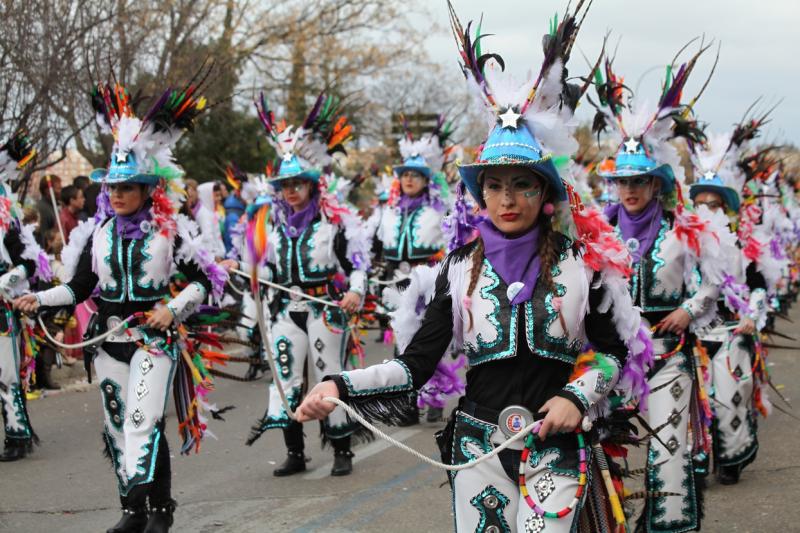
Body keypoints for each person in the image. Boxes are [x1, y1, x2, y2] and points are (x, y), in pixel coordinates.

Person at [296, 8, 653, 531]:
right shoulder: (458, 270)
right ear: (480, 195)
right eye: (494, 186)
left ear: (546, 193)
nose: (508, 198)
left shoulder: (584, 265)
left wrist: (576, 397)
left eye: (522, 184)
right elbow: (414, 366)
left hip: (556, 444)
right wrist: (339, 387)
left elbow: (613, 352)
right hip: (477, 446)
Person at [14, 80, 227, 532]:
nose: (116, 194)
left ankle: (142, 509)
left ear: (147, 189)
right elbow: (79, 287)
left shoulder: (170, 230)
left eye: (127, 187)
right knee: (119, 428)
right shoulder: (98, 234)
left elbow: (207, 280)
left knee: (141, 421)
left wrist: (172, 308)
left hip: (155, 341)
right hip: (110, 344)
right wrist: (39, 298)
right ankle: (149, 510)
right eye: (111, 186)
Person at [594, 51, 725, 532]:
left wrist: (689, 312)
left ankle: (668, 525)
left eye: (639, 181)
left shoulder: (683, 229)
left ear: (656, 184)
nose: (629, 190)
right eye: (622, 181)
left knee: (669, 447)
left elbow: (713, 279)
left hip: (668, 351)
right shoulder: (599, 233)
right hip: (612, 355)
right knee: (599, 451)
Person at [242, 91, 372, 478]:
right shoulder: (270, 224)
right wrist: (242, 268)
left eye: (298, 183)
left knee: (329, 375)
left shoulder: (333, 222)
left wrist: (355, 291)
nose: (292, 190)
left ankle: (341, 449)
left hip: (325, 311)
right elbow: (261, 268)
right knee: (285, 379)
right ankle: (294, 451)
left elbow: (356, 263)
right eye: (285, 184)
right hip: (285, 311)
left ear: (312, 184)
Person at [687, 122, 772, 487]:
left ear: (726, 208)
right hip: (691, 335)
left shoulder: (741, 247)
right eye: (701, 204)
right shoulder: (682, 246)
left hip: (731, 332)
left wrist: (751, 316)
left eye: (714, 204)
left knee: (728, 398)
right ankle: (698, 460)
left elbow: (758, 285)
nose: (707, 210)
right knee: (692, 404)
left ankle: (732, 460)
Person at [373, 116, 460, 424]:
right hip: (399, 282)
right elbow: (373, 244)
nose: (409, 180)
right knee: (402, 341)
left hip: (432, 281)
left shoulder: (439, 209)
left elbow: (456, 242)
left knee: (432, 340)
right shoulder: (389, 211)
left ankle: (434, 395)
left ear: (426, 180)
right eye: (405, 175)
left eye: (416, 175)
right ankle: (408, 404)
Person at [0, 128, 51, 461]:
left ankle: (17, 435)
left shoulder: (7, 222)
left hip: (1, 306)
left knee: (4, 372)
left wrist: (6, 282)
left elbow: (28, 262)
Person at [36, 173, 61, 246]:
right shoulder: (42, 209)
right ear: (48, 191)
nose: (60, 191)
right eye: (58, 188)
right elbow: (42, 237)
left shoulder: (53, 207)